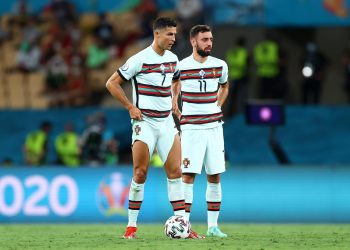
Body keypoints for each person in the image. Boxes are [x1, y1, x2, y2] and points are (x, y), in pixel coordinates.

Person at [106, 17, 200, 239]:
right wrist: (130, 106)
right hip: (145, 123)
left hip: (166, 122)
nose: (173, 39)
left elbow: (176, 80)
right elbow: (111, 83)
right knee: (140, 173)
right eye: (169, 34)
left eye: (175, 35)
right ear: (157, 34)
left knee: (176, 172)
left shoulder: (173, 59)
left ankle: (183, 226)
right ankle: (131, 227)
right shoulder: (140, 59)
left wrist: (174, 102)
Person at [173, 25, 229, 238]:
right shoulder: (182, 65)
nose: (209, 43)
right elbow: (175, 84)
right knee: (188, 176)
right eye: (205, 39)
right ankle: (184, 225)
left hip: (214, 127)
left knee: (214, 175)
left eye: (211, 39)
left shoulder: (220, 65)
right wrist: (174, 103)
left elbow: (225, 86)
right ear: (193, 42)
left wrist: (218, 105)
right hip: (191, 128)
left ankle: (213, 227)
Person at [225, 36, 249, 116]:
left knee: (232, 96)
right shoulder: (243, 52)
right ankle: (242, 112)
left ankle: (230, 112)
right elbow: (246, 64)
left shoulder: (231, 51)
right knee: (242, 95)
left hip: (232, 75)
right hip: (242, 75)